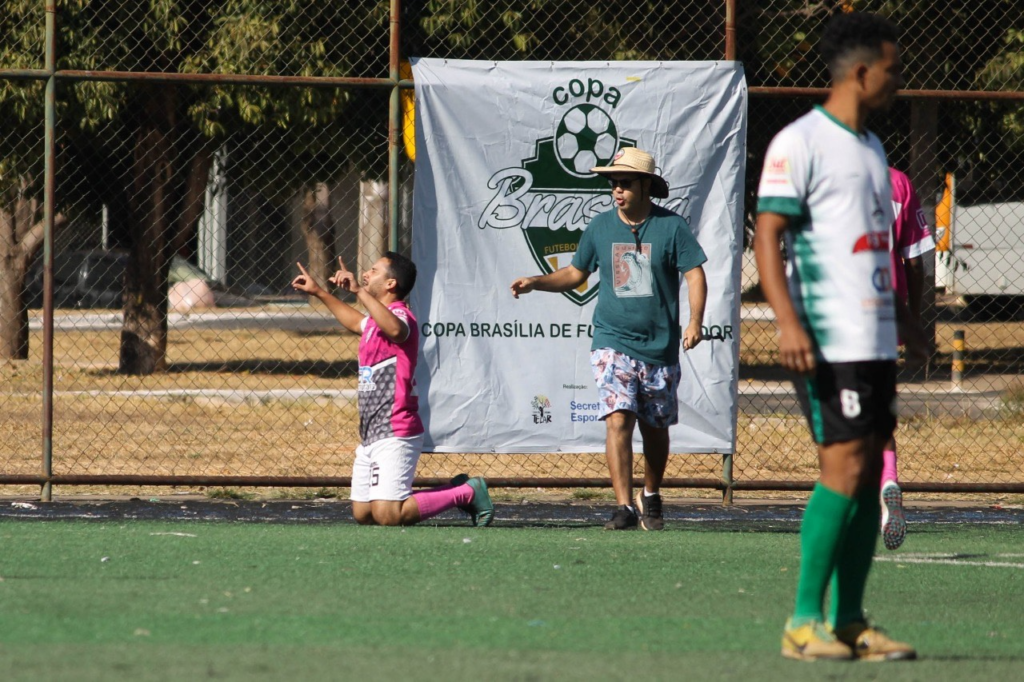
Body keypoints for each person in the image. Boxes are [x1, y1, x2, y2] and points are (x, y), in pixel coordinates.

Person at [754, 12, 925, 662]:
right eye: (893, 70)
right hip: (828, 338)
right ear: (861, 71)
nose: (897, 82)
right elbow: (769, 235)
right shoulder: (800, 143)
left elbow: (872, 247)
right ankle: (803, 621)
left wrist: (906, 319)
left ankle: (851, 621)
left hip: (876, 338)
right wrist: (789, 322)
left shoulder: (873, 148)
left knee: (866, 471)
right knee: (845, 467)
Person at [510, 147, 708, 531]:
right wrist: (536, 282)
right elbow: (574, 274)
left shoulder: (672, 228)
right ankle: (623, 507)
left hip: (660, 347)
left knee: (655, 429)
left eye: (625, 183)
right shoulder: (600, 227)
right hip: (612, 340)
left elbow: (695, 275)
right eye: (613, 184)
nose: (617, 191)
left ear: (646, 185)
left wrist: (695, 321)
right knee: (618, 419)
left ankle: (649, 494)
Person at [292, 252, 494, 527]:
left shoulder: (402, 316)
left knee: (389, 515)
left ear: (390, 284)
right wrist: (318, 292)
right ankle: (457, 489)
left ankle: (468, 491)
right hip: (371, 431)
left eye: (373, 271)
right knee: (364, 514)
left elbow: (397, 331)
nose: (365, 274)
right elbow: (356, 322)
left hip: (396, 428)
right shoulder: (376, 321)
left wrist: (359, 291)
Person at [879, 167, 935, 550]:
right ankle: (889, 482)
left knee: (837, 425)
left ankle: (851, 503)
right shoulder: (897, 182)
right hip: (883, 315)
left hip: (835, 315)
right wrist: (914, 319)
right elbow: (915, 262)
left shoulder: (823, 172)